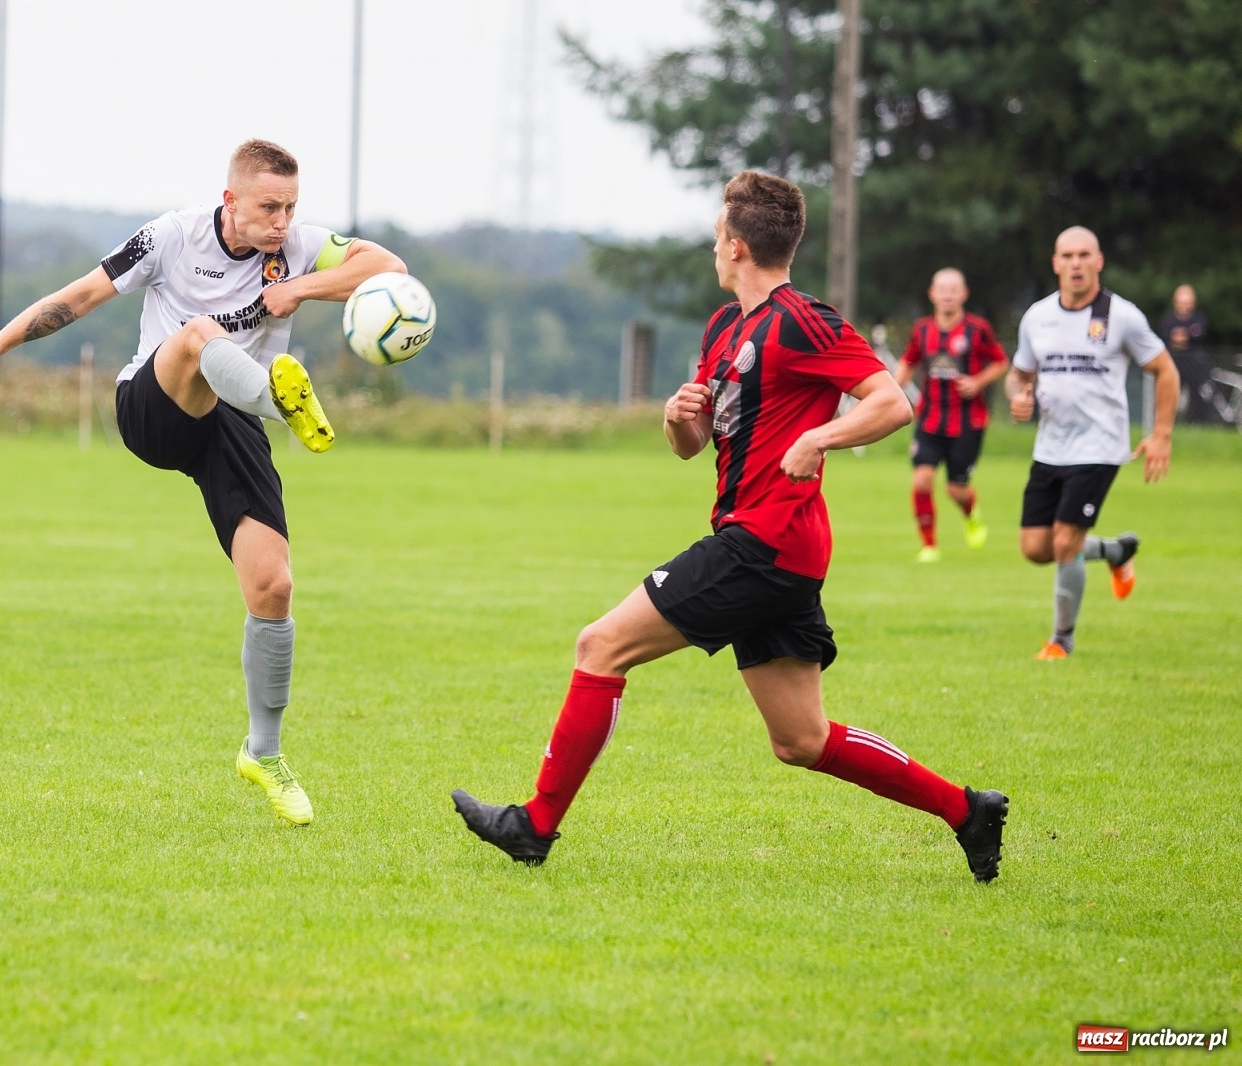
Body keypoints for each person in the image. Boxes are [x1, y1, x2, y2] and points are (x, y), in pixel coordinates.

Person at [451, 171, 1009, 884]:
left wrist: (821, 439)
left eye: (718, 236)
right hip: (781, 549)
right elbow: (693, 447)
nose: (715, 249)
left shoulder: (803, 319)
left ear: (737, 245)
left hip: (764, 542)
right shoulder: (723, 329)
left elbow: (891, 402)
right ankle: (967, 810)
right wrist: (676, 421)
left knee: (600, 645)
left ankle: (534, 824)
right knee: (802, 739)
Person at [0, 139, 406, 824]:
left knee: (273, 586)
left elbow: (386, 266)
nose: (281, 222)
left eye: (290, 208)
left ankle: (264, 751)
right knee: (196, 334)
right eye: (267, 207)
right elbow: (79, 295)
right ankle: (281, 401)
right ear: (231, 201)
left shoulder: (296, 247)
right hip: (154, 403)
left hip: (232, 421)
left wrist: (299, 287)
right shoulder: (173, 236)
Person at [1006, 226, 1178, 661]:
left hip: (1100, 447)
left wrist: (1161, 434)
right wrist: (1018, 396)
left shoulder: (1122, 316)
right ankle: (1116, 550)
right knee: (1036, 548)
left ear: (1099, 261)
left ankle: (1061, 640)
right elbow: (1019, 373)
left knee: (1065, 542)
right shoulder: (1037, 316)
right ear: (1055, 263)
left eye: (1085, 255)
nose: (1076, 263)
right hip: (1050, 447)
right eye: (1068, 255)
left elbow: (1166, 370)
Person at [892, 268, 1009, 561]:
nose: (947, 294)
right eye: (941, 289)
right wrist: (891, 391)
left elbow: (999, 362)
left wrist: (977, 381)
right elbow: (908, 362)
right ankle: (929, 545)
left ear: (963, 294)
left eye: (953, 289)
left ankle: (971, 513)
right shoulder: (921, 330)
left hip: (968, 422)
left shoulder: (977, 329)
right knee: (921, 480)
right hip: (930, 419)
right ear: (932, 294)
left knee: (956, 490)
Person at [1157, 284, 1213, 423]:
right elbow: (1164, 336)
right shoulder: (1168, 320)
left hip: (1194, 364)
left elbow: (1199, 334)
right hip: (1173, 363)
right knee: (1171, 393)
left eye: (1187, 303)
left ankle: (1198, 423)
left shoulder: (1198, 319)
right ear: (1175, 303)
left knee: (1197, 394)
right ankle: (1167, 422)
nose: (1184, 306)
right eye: (1182, 302)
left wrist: (1183, 337)